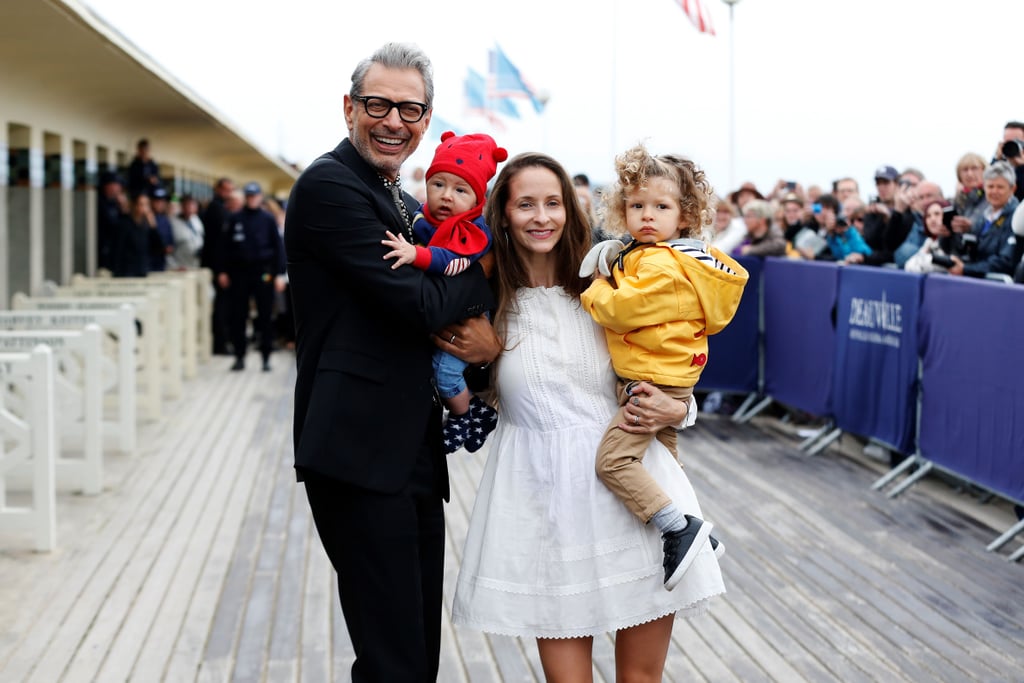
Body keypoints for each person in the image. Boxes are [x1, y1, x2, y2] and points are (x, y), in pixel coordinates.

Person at [449, 152, 725, 682]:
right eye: (525, 203)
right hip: (543, 507)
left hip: (634, 501)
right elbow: (457, 390)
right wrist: (483, 359)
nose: (541, 216)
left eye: (553, 202)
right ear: (503, 214)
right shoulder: (484, 302)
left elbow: (671, 359)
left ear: (571, 211)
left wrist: (682, 408)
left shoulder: (613, 287)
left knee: (640, 679)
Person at [283, 42, 496, 682]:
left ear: (427, 119)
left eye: (410, 108)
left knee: (414, 650)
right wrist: (482, 267)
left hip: (407, 449)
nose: (393, 121)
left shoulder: (403, 202)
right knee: (391, 657)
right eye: (378, 104)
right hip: (356, 449)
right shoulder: (329, 186)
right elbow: (420, 304)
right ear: (350, 108)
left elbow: (446, 296)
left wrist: (475, 323)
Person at [579, 144, 747, 589]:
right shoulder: (665, 257)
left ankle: (679, 528)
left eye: (661, 206)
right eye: (637, 206)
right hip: (668, 377)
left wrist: (596, 286)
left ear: (685, 215)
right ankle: (700, 537)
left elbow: (619, 309)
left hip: (650, 380)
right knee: (665, 464)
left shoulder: (663, 265)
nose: (647, 216)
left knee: (614, 463)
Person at [381, 130, 507, 453]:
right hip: (449, 315)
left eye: (460, 189)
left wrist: (416, 255)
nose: (446, 196)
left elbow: (452, 262)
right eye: (438, 185)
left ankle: (463, 415)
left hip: (470, 317)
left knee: (445, 371)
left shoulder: (470, 230)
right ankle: (476, 413)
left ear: (477, 200)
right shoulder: (425, 217)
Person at [218, 182, 286, 372]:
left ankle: (266, 357)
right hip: (239, 273)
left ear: (259, 197)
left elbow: (278, 247)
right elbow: (225, 248)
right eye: (248, 196)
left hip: (263, 273)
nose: (251, 199)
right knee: (238, 315)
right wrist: (222, 271)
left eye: (254, 196)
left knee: (265, 315)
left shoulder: (267, 219)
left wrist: (279, 274)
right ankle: (240, 356)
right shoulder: (235, 218)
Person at [946, 161, 1021, 278]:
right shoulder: (983, 217)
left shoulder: (1018, 218)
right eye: (990, 186)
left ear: (1013, 189)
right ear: (984, 187)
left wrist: (966, 269)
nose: (994, 191)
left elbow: (1006, 261)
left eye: (1000, 187)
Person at [202, 177, 235, 355]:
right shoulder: (216, 209)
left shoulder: (220, 208)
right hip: (218, 267)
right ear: (218, 190)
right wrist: (220, 270)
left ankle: (223, 341)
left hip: (221, 266)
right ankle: (219, 344)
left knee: (224, 306)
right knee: (221, 306)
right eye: (226, 190)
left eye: (231, 190)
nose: (228, 194)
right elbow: (217, 244)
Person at [111, 193, 154, 277]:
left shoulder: (146, 225)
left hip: (142, 270)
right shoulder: (124, 224)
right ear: (134, 205)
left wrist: (153, 225)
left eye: (146, 205)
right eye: (141, 204)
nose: (144, 208)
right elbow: (117, 250)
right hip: (126, 272)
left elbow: (157, 247)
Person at [167, 194, 205, 270]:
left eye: (193, 204)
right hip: (180, 266)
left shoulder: (196, 219)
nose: (190, 207)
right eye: (187, 204)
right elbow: (167, 250)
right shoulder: (172, 222)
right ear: (181, 206)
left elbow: (201, 237)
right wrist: (174, 266)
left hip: (196, 264)